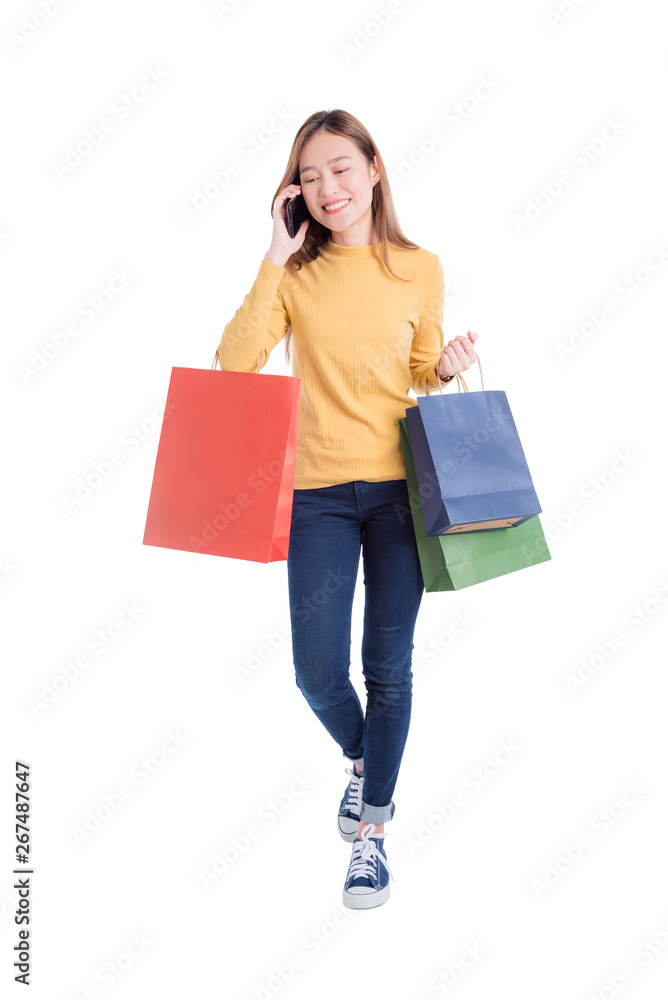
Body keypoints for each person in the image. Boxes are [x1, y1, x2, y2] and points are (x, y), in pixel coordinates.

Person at [217, 108, 479, 909]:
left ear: (373, 169)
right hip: (318, 496)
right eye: (309, 174)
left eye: (340, 168)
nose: (326, 187)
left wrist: (449, 364)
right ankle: (372, 765)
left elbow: (422, 370)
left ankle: (372, 834)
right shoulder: (295, 275)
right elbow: (234, 362)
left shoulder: (420, 267)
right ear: (294, 192)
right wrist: (273, 253)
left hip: (402, 493)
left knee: (387, 668)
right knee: (318, 672)